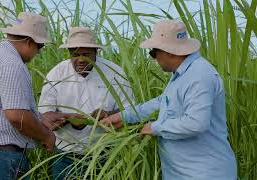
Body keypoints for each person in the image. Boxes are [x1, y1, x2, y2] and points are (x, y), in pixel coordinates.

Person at [100, 20, 237, 180]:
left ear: (169, 51)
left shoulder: (200, 75)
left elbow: (196, 123)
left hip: (204, 174)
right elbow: (161, 102)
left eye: (153, 53)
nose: (154, 58)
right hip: (182, 173)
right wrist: (123, 117)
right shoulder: (182, 74)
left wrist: (155, 128)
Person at [0, 12, 56, 179]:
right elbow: (17, 116)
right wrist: (46, 136)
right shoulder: (11, 63)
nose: (39, 53)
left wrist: (40, 120)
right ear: (29, 41)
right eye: (40, 46)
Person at [38, 27, 133, 179]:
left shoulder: (114, 73)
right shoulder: (56, 74)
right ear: (69, 53)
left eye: (86, 54)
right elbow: (44, 117)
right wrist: (69, 118)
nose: (81, 59)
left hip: (105, 156)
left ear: (96, 52)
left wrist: (106, 116)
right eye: (75, 54)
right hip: (65, 156)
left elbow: (130, 112)